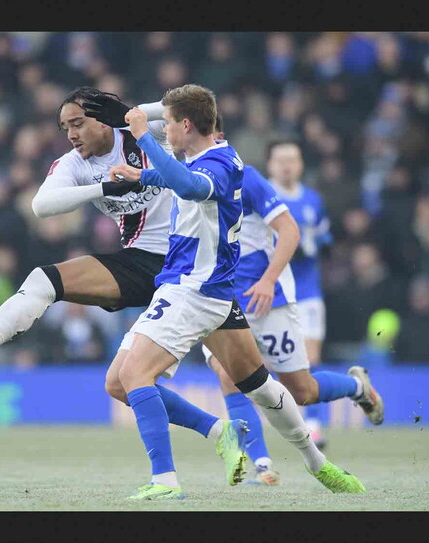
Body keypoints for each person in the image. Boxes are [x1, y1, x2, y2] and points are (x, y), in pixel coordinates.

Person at [0, 87, 253, 490]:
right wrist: (104, 188)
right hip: (142, 265)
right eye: (64, 127)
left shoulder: (146, 133)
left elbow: (192, 106)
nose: (71, 134)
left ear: (103, 120)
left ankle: (260, 440)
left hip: (192, 265)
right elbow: (41, 206)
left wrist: (130, 113)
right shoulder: (73, 164)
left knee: (259, 382)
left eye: (78, 123)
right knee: (45, 282)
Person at [107, 84, 365, 499]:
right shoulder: (206, 160)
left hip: (193, 290)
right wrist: (143, 175)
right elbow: (183, 181)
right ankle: (316, 462)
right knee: (254, 384)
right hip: (211, 293)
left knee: (133, 376)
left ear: (186, 125)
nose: (163, 131)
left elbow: (191, 187)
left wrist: (141, 137)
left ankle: (165, 480)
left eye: (168, 124)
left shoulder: (220, 164)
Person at [202, 119, 385, 486]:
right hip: (220, 298)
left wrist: (268, 280)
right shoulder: (183, 178)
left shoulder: (247, 178)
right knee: (228, 376)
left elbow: (292, 232)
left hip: (267, 298)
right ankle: (262, 466)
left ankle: (356, 387)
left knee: (301, 390)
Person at [267, 139, 385, 433]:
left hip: (306, 290)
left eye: (292, 159)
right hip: (270, 290)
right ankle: (278, 416)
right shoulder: (262, 196)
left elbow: (324, 237)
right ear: (270, 165)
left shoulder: (313, 200)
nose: (286, 166)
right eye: (281, 160)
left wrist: (312, 244)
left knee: (310, 358)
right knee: (266, 362)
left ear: (301, 165)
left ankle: (314, 423)